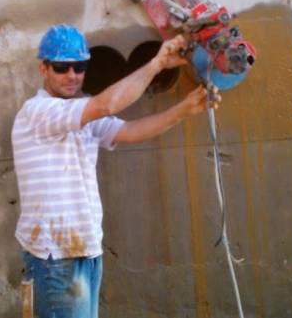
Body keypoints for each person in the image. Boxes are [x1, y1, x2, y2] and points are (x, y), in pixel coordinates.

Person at [12, 24, 220, 318]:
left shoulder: (78, 115)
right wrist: (157, 63)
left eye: (79, 66)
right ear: (43, 68)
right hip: (55, 258)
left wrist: (185, 109)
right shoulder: (39, 112)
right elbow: (107, 104)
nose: (72, 75)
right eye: (61, 67)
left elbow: (131, 131)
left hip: (84, 251)